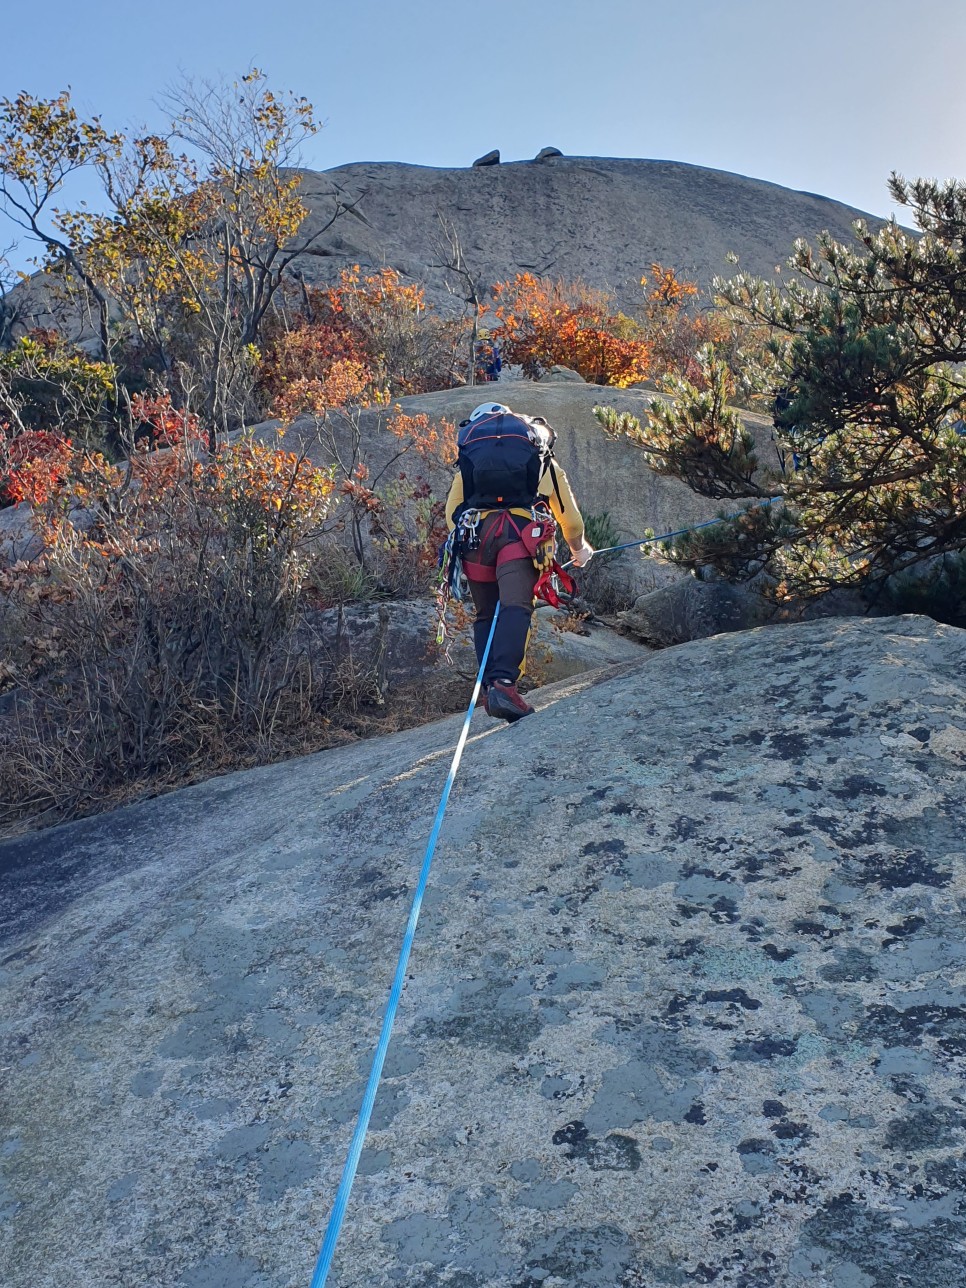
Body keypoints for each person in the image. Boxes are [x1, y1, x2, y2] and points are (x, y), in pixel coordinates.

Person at [444, 402, 594, 721]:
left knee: (486, 614)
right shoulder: (541, 459)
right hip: (520, 536)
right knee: (516, 606)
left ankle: (488, 688)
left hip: (476, 539)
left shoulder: (470, 460)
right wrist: (579, 548)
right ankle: (505, 686)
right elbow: (571, 520)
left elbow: (452, 514)